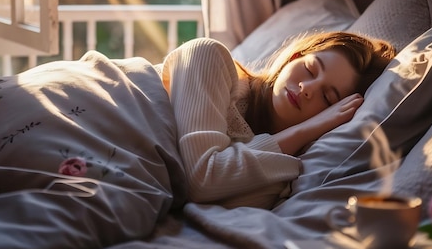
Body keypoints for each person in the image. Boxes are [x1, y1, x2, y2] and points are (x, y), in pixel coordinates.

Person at [158, 32, 396, 209]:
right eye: (310, 69)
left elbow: (220, 201)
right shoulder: (209, 56)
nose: (306, 88)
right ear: (293, 57)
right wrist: (304, 130)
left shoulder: (284, 172)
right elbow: (200, 179)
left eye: (327, 96)